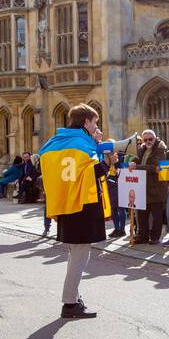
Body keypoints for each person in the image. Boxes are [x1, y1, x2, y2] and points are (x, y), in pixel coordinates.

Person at [40, 105, 111, 319]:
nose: (96, 126)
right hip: (81, 206)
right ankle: (70, 303)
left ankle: (74, 298)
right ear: (86, 122)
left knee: (74, 254)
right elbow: (92, 173)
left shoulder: (54, 142)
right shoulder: (82, 144)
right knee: (80, 256)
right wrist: (108, 162)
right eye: (95, 122)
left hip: (64, 203)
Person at [130, 129, 168, 245]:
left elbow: (155, 167)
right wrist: (132, 163)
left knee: (157, 216)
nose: (148, 141)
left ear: (155, 138)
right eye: (145, 139)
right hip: (142, 187)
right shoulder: (141, 150)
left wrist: (138, 167)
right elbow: (136, 160)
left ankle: (155, 238)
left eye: (150, 139)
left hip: (156, 188)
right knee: (142, 215)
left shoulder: (160, 150)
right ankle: (143, 236)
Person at [104, 150, 127, 239]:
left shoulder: (120, 156)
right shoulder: (105, 157)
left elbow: (121, 167)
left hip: (118, 183)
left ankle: (122, 229)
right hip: (110, 184)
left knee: (121, 207)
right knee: (113, 208)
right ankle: (116, 228)